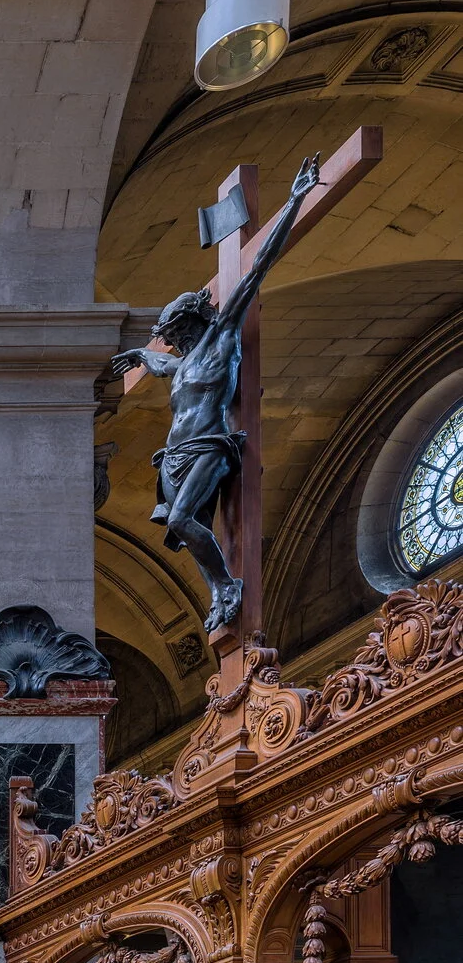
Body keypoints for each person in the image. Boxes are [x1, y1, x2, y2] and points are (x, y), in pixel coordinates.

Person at [109, 151, 322, 631]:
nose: (172, 341)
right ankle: (217, 591)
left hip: (209, 446)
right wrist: (140, 354)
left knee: (182, 521)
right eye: (169, 336)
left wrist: (294, 200)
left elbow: (258, 266)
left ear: (192, 321)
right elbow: (160, 364)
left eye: (175, 332)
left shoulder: (222, 337)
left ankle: (227, 585)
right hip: (174, 456)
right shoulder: (181, 364)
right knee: (187, 526)